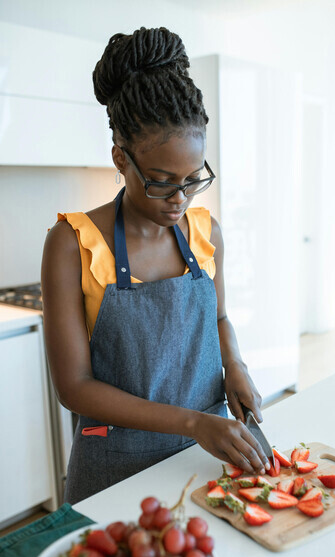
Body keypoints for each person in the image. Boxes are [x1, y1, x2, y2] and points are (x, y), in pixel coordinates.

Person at [41, 26, 269, 505]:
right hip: (114, 472)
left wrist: (236, 366)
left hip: (204, 456)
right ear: (120, 159)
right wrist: (191, 421)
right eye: (163, 182)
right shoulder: (73, 244)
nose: (180, 200)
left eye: (192, 180)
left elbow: (220, 319)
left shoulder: (207, 234)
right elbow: (75, 388)